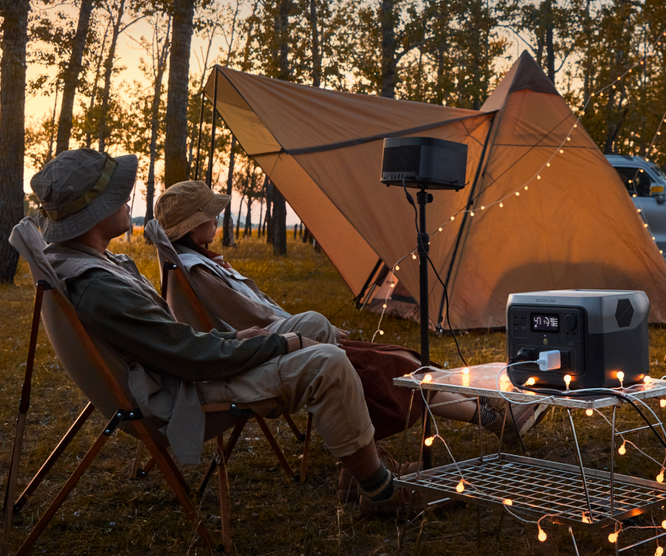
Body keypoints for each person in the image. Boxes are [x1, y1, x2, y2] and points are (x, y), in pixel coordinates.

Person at [29, 149, 418, 515]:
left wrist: (234, 339)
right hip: (180, 393)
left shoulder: (87, 264)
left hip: (179, 372)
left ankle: (358, 471)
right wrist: (279, 342)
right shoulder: (98, 285)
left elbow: (171, 341)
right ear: (94, 213)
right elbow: (189, 358)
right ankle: (380, 491)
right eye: (117, 196)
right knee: (327, 363)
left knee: (314, 330)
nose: (126, 200)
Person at [153, 181, 546, 498]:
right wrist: (307, 329)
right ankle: (493, 417)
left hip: (286, 347)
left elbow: (257, 314)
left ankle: (493, 412)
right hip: (274, 355)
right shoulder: (198, 272)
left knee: (394, 359)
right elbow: (254, 320)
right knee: (388, 370)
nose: (218, 220)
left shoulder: (203, 264)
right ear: (192, 227)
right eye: (212, 216)